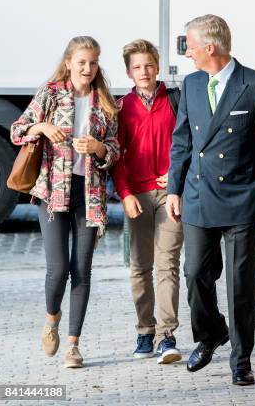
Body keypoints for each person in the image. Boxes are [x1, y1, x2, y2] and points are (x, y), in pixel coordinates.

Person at [165, 14, 255, 385]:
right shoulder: (190, 85)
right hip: (198, 196)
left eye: (189, 45)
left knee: (239, 283)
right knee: (194, 275)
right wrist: (174, 188)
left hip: (240, 198)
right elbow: (182, 142)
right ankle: (211, 333)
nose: (186, 52)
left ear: (210, 47)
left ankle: (241, 359)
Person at [10, 36, 120, 368]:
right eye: (82, 62)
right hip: (53, 191)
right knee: (57, 269)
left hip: (90, 193)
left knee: (81, 270)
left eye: (94, 62)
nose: (88, 68)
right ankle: (52, 319)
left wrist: (100, 150)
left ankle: (73, 345)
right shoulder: (51, 92)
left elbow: (115, 148)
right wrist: (41, 126)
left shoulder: (104, 102)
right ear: (69, 62)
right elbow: (17, 130)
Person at [110, 39, 184, 364]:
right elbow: (116, 157)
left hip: (171, 195)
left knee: (167, 264)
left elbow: (190, 143)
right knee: (140, 267)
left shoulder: (177, 101)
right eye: (137, 67)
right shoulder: (122, 108)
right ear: (129, 71)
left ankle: (167, 336)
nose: (144, 71)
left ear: (157, 65)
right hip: (137, 196)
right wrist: (125, 194)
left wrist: (178, 174)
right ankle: (144, 331)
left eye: (149, 65)